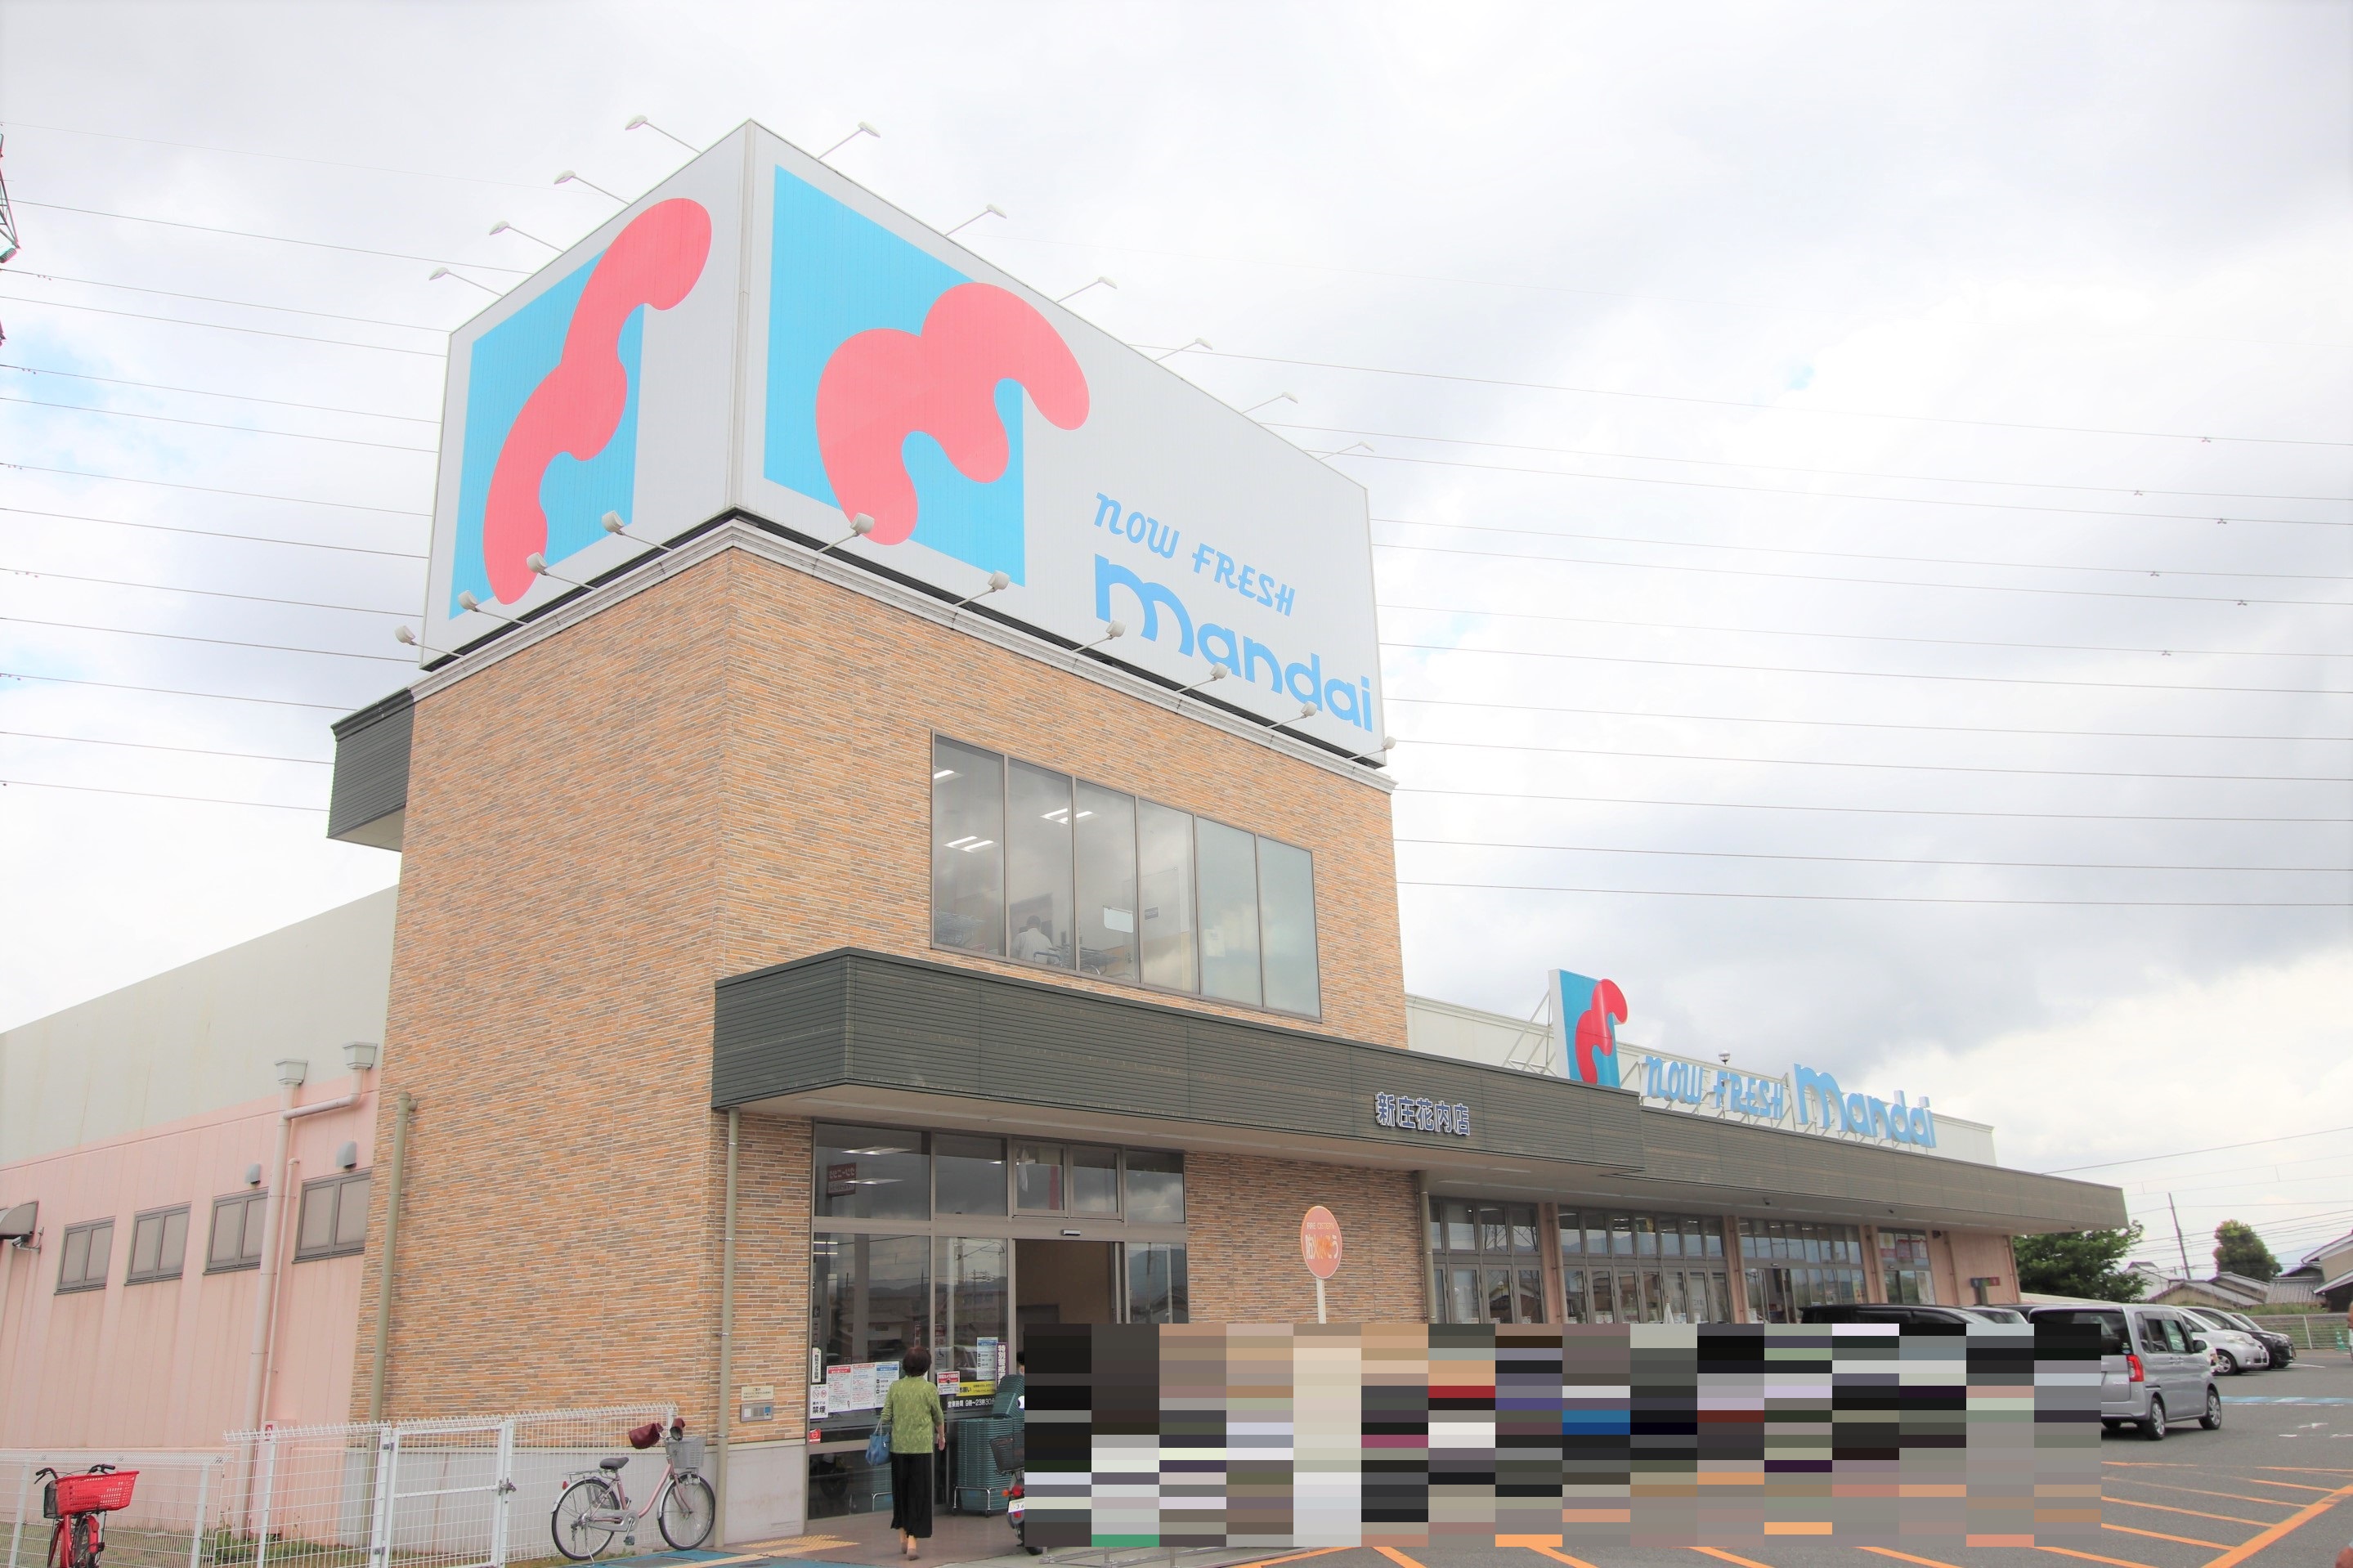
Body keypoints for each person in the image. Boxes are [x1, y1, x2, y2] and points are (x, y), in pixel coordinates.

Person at [881, 1345, 944, 1560]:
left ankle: (902, 1537)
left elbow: (885, 1416)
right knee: (919, 1495)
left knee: (901, 1493)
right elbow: (938, 1416)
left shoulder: (895, 1387)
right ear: (926, 1367)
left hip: (898, 1449)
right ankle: (912, 1544)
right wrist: (941, 1436)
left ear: (905, 1365)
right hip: (921, 1450)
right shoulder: (929, 1389)